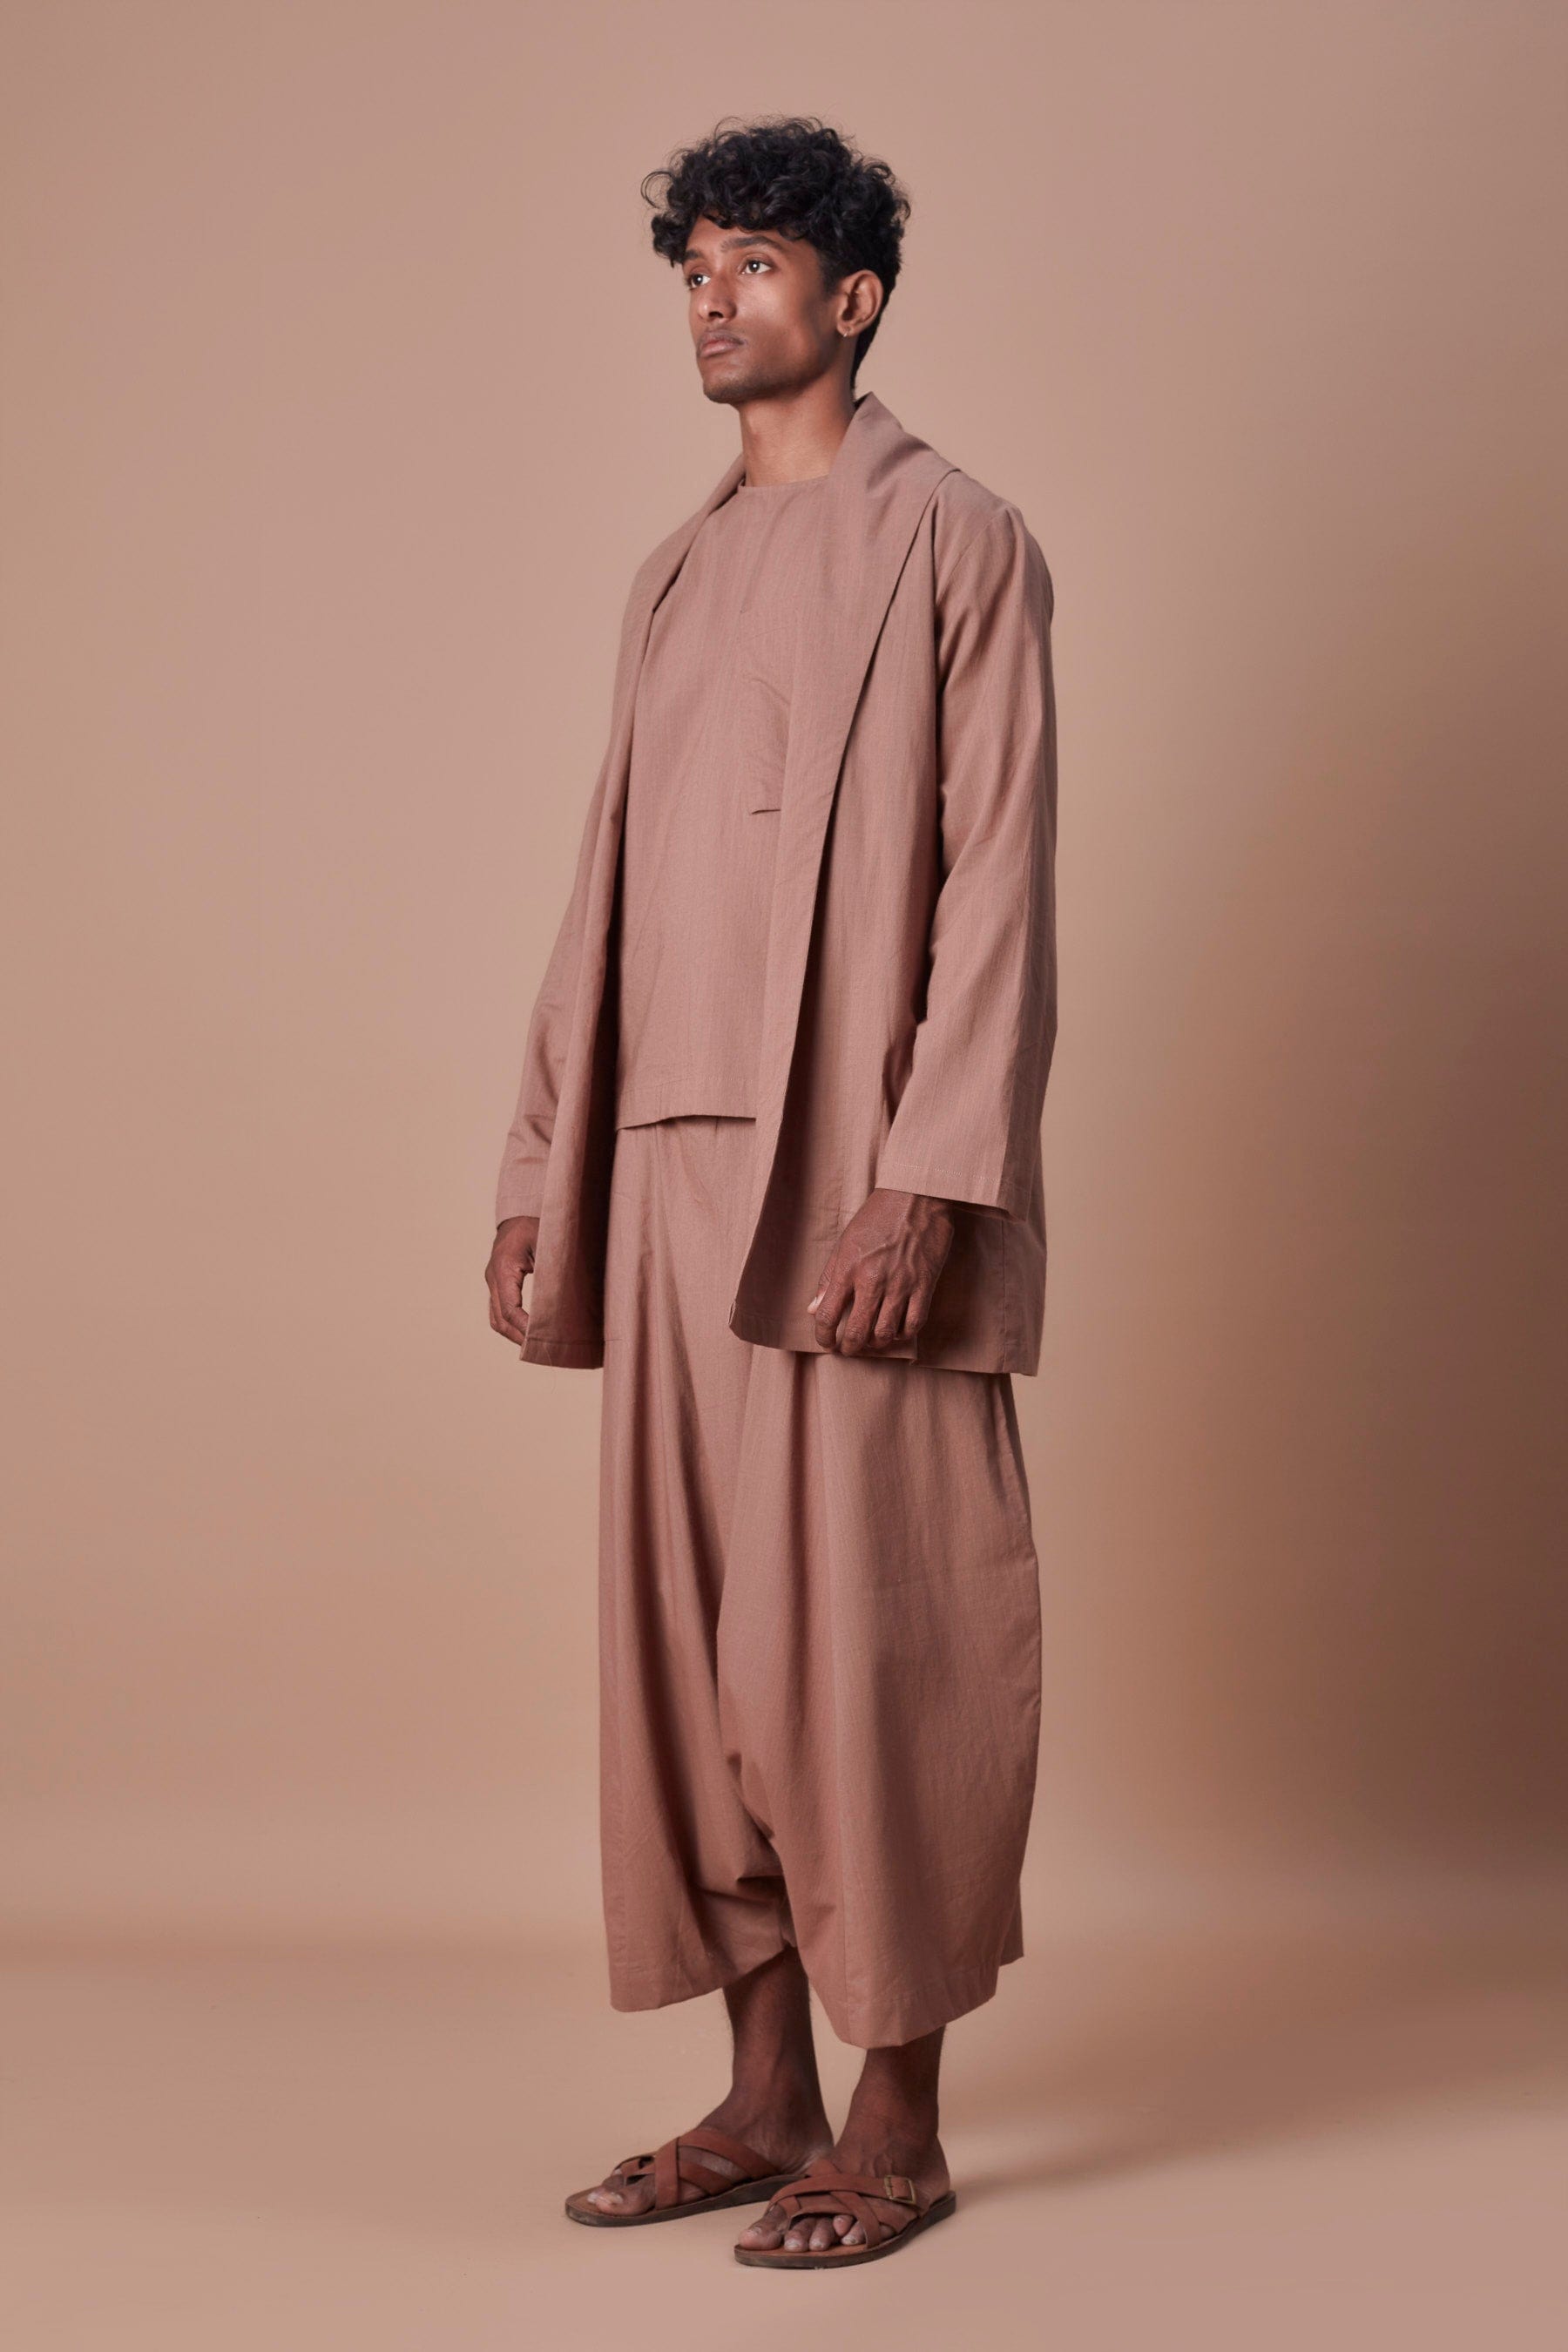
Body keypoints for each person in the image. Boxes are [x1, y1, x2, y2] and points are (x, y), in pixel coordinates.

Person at [486, 113, 1058, 2271]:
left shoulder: (961, 542)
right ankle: (761, 2097)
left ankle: (895, 2128)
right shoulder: (674, 572)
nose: (712, 301)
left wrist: (931, 1174)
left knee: (877, 1638)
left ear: (855, 297)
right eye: (695, 269)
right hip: (663, 1174)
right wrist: (542, 1162)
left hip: (854, 1184)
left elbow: (1000, 884)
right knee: (692, 1647)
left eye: (752, 265)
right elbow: (606, 891)